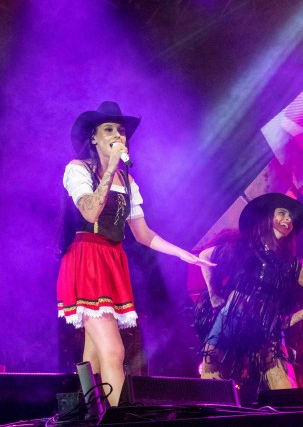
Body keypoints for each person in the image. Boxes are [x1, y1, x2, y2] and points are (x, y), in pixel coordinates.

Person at [57, 101, 214, 406]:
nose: (117, 135)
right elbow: (90, 212)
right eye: (108, 129)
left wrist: (182, 254)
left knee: (94, 351)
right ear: (93, 138)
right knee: (114, 351)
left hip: (112, 261)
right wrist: (110, 168)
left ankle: (87, 411)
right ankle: (118, 417)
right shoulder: (77, 169)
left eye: (121, 130)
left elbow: (143, 234)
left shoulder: (128, 182)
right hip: (87, 259)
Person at [195, 193, 303, 390]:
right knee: (211, 381)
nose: (288, 219)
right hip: (230, 320)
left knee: (284, 387)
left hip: (265, 328)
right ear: (268, 217)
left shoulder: (293, 265)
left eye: (291, 217)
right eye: (282, 213)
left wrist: (291, 320)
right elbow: (204, 256)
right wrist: (213, 295)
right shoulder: (243, 247)